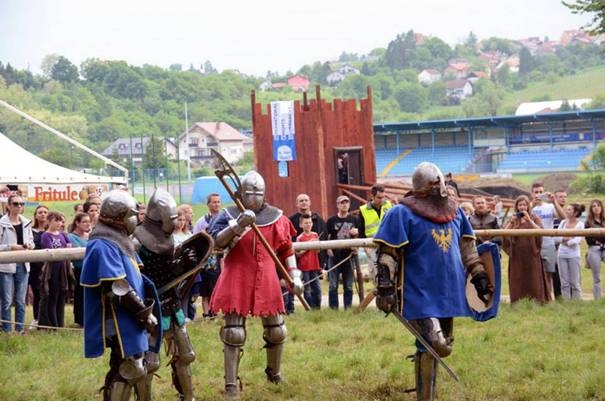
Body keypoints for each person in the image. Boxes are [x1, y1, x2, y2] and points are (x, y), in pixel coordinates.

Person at [373, 162, 493, 401]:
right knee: (435, 344)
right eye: (437, 184)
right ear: (427, 187)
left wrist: (479, 274)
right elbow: (387, 253)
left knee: (439, 345)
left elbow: (467, 248)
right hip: (418, 291)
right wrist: (385, 287)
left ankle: (427, 395)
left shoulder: (455, 211)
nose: (443, 188)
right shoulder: (401, 213)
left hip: (449, 291)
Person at [208, 171, 303, 400]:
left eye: (257, 193)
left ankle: (274, 372)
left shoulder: (277, 217)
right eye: (249, 193)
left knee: (277, 330)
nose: (253, 197)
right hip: (237, 275)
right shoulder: (228, 214)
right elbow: (215, 244)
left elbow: (286, 249)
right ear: (241, 192)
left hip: (267, 276)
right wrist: (237, 226)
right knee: (234, 332)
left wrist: (295, 276)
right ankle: (231, 385)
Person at [81, 190, 161, 401]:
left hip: (130, 314)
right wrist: (144, 314)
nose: (135, 219)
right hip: (119, 316)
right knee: (129, 367)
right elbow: (118, 287)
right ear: (119, 217)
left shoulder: (118, 239)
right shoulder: (102, 244)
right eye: (131, 214)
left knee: (137, 363)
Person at [133, 188, 198, 401]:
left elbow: (170, 270)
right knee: (149, 362)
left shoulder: (170, 239)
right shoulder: (136, 241)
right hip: (149, 306)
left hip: (172, 302)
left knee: (187, 355)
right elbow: (133, 276)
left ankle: (187, 397)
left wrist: (185, 263)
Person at [502, 195, 550, 304]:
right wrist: (511, 222)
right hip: (517, 255)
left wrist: (529, 221)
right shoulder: (513, 219)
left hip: (531, 253)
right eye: (520, 205)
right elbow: (503, 233)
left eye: (524, 204)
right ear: (517, 206)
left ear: (528, 206)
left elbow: (541, 231)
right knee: (518, 278)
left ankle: (537, 301)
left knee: (533, 278)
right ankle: (517, 301)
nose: (522, 207)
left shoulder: (534, 218)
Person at [0, 195, 35, 333]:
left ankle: (20, 329)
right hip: (6, 265)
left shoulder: (26, 222)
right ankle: (7, 329)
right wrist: (11, 247)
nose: (19, 206)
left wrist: (30, 245)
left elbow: (31, 240)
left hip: (23, 263)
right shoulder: (1, 223)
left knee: (21, 300)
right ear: (8, 205)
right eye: (15, 204)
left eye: (21, 204)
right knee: (7, 300)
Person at [288, 193, 327, 313]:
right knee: (300, 286)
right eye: (301, 201)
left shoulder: (318, 219)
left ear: (310, 202)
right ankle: (296, 308)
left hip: (315, 263)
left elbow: (324, 240)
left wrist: (322, 263)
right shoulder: (292, 220)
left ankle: (317, 309)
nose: (304, 202)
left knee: (317, 288)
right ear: (297, 204)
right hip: (298, 262)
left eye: (306, 200)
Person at [326, 195, 360, 310]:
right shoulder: (331, 221)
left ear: (349, 205)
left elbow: (361, 236)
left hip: (349, 255)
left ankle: (348, 308)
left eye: (346, 202)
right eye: (342, 203)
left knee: (349, 285)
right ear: (337, 205)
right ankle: (333, 309)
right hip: (334, 256)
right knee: (333, 285)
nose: (344, 204)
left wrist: (357, 232)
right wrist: (328, 249)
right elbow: (326, 237)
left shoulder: (355, 220)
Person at [531, 182, 565, 298]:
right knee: (534, 274)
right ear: (532, 193)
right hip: (533, 244)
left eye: (541, 192)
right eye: (536, 192)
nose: (539, 194)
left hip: (548, 243)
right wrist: (531, 205)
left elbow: (563, 217)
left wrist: (554, 201)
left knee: (548, 273)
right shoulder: (529, 207)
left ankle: (548, 299)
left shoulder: (549, 206)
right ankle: (537, 298)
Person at [38, 211, 72, 329]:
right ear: (49, 221)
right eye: (55, 220)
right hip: (52, 270)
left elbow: (69, 245)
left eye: (60, 221)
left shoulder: (63, 234)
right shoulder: (45, 235)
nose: (58, 223)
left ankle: (60, 323)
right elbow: (48, 249)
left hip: (62, 269)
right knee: (52, 296)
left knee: (61, 296)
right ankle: (53, 324)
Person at [193, 193, 222, 319]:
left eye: (218, 202)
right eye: (214, 202)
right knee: (206, 289)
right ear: (208, 204)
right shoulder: (202, 221)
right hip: (207, 260)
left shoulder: (224, 219)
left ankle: (216, 310)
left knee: (218, 287)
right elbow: (195, 239)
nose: (216, 204)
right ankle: (206, 313)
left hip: (221, 258)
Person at [555, 203, 585, 300]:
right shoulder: (563, 223)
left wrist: (567, 241)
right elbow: (556, 237)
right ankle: (566, 302)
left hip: (574, 255)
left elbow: (578, 240)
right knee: (564, 282)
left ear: (575, 212)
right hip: (561, 254)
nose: (566, 211)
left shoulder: (580, 224)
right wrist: (565, 239)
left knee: (575, 282)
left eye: (569, 210)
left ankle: (576, 302)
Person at [67, 212, 91, 327]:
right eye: (84, 221)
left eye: (88, 221)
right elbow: (78, 251)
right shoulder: (71, 237)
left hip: (91, 269)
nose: (87, 224)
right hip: (80, 270)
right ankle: (80, 319)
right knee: (80, 295)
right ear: (77, 223)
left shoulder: (90, 236)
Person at [295, 213, 322, 309]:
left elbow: (318, 251)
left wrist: (316, 245)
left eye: (310, 222)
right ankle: (309, 308)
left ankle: (317, 307)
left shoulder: (315, 235)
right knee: (307, 289)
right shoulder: (299, 238)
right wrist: (308, 245)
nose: (308, 224)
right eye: (306, 223)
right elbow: (297, 254)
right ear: (301, 225)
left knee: (317, 288)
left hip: (314, 265)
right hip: (304, 266)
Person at [28, 204, 49, 329]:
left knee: (48, 294)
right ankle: (36, 319)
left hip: (49, 268)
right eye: (40, 212)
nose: (43, 214)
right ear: (35, 215)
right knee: (37, 293)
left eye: (45, 212)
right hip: (35, 268)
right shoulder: (30, 231)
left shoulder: (52, 231)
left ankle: (47, 319)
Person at [585, 199, 605, 300]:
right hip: (594, 248)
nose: (596, 208)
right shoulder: (588, 222)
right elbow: (589, 239)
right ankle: (597, 299)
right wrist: (598, 242)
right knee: (596, 276)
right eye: (594, 206)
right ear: (591, 209)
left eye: (598, 205)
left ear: (601, 207)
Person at [551, 190, 568, 299]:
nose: (563, 199)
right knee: (555, 271)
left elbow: (565, 217)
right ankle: (558, 296)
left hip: (566, 245)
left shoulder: (568, 211)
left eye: (564, 197)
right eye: (560, 197)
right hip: (554, 244)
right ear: (555, 198)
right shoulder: (551, 210)